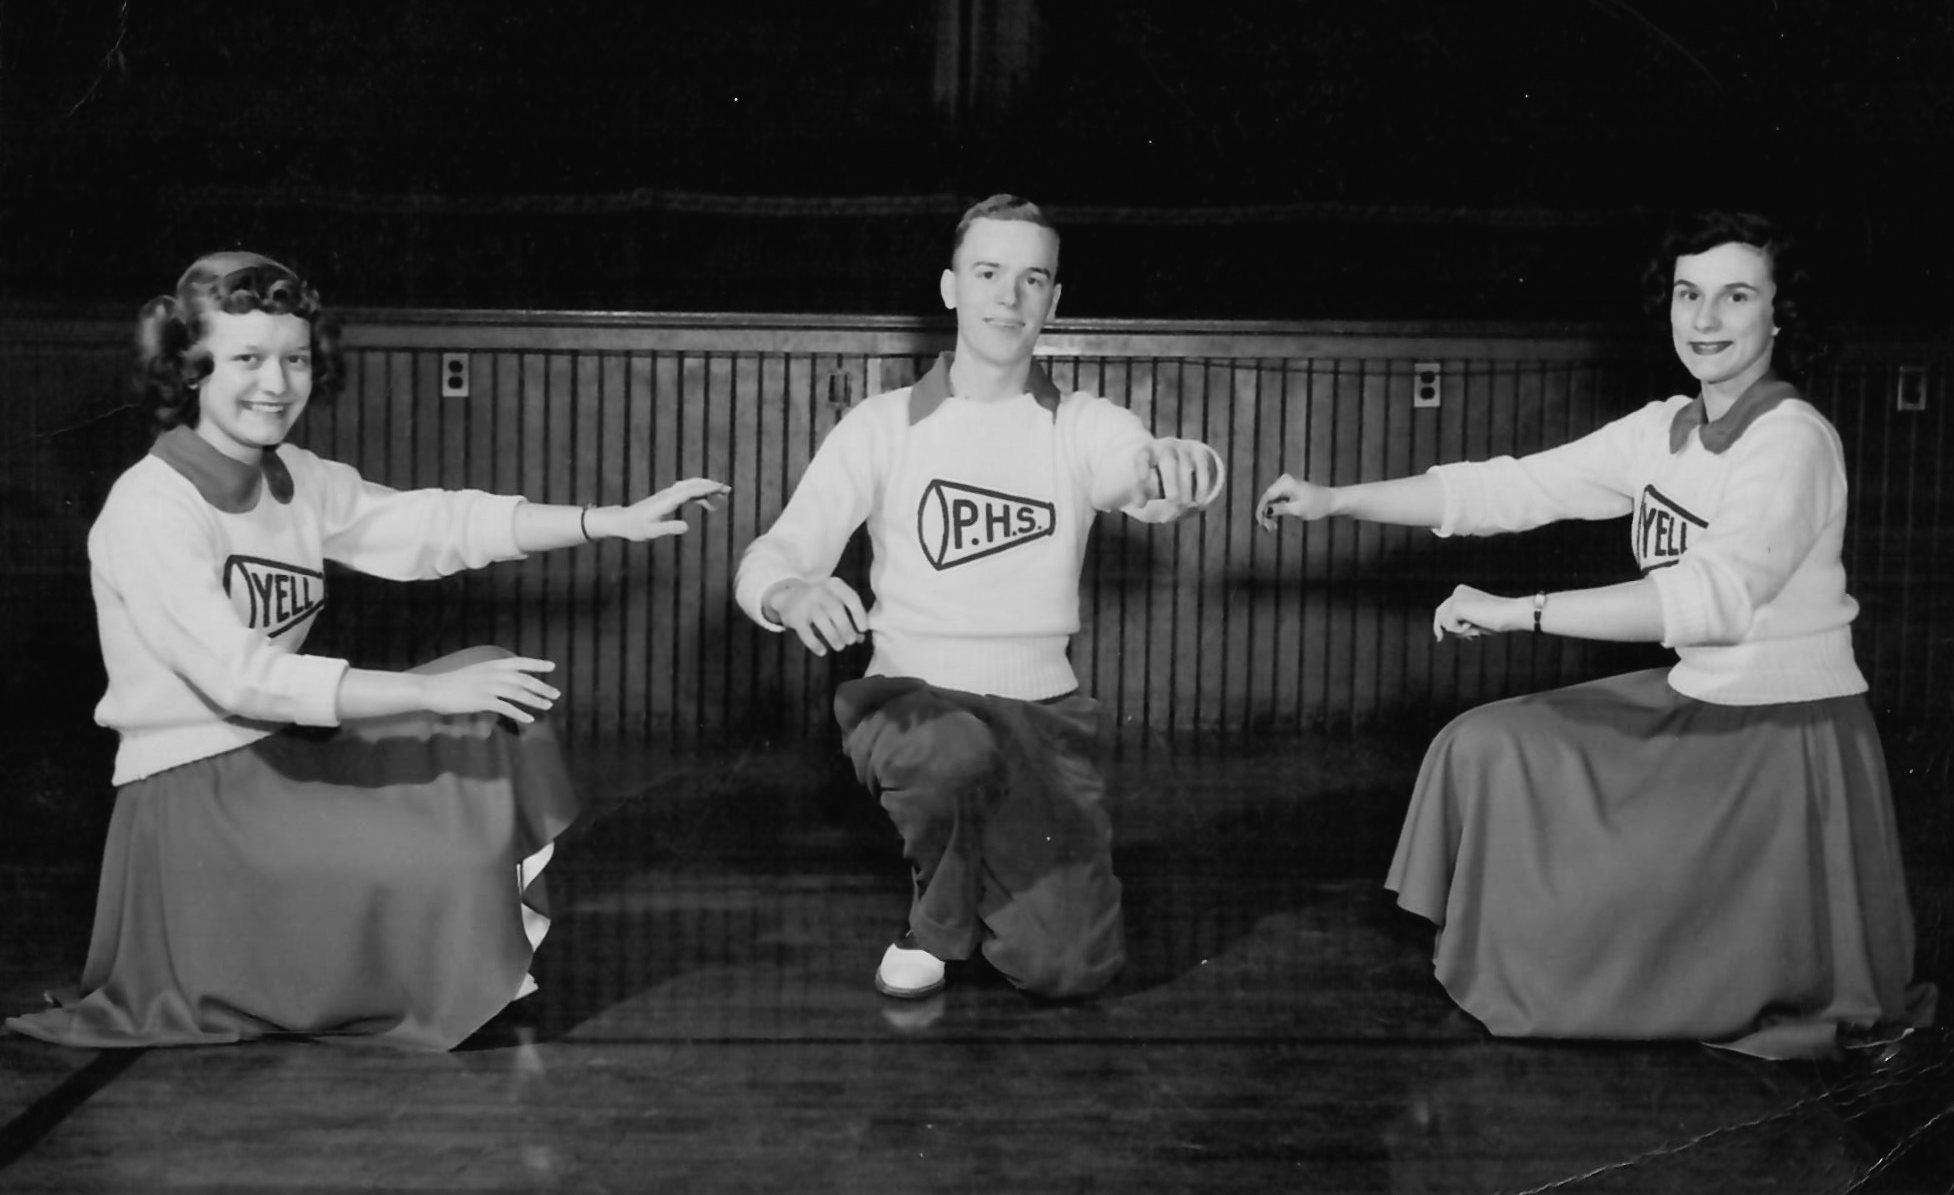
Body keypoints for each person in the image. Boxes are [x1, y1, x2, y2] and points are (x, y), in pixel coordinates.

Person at [4, 251, 728, 1050]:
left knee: (493, 697)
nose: (275, 384)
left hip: (274, 755)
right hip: (193, 798)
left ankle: (473, 946)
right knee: (439, 794)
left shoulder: (296, 476)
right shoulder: (150, 506)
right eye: (247, 358)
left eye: (295, 359)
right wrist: (427, 695)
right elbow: (243, 678)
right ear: (190, 367)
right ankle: (436, 957)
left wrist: (604, 519)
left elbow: (434, 525)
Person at [1256, 210, 1932, 1058]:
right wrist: (1335, 498)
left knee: (1512, 762)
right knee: (1484, 744)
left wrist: (1518, 610)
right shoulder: (1666, 428)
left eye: (1735, 296)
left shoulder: (1791, 440)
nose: (1706, 319)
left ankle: (1584, 968)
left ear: (1779, 314)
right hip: (1703, 701)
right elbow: (1513, 488)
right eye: (1690, 294)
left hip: (1781, 735)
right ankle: (1529, 959)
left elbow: (1711, 602)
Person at [735, 195, 1224, 1001]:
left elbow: (1137, 470)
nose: (1009, 296)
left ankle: (984, 878)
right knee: (951, 752)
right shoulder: (883, 423)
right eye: (988, 273)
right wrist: (789, 590)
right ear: (950, 287)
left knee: (1069, 967)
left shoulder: (1083, 423)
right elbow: (772, 553)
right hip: (910, 703)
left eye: (1033, 279)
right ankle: (939, 914)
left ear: (1054, 300)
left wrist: (1177, 467)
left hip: (1041, 714)